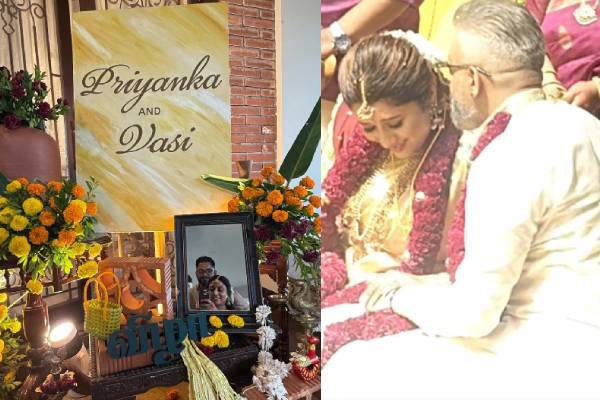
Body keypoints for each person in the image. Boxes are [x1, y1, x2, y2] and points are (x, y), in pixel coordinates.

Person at [322, 1, 600, 398]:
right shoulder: (585, 125)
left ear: (473, 81)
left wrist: (399, 296)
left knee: (351, 368)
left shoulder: (507, 150)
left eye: (451, 70)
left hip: (548, 352)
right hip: (574, 336)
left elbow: (474, 314)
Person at [320, 30, 469, 364]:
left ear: (430, 99)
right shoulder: (356, 142)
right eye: (371, 128)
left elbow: (467, 271)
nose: (386, 140)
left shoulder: (464, 160)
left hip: (408, 296)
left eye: (395, 123)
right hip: (345, 279)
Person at [526, 0, 600, 115]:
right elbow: (529, 38)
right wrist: (549, 81)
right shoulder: (539, 3)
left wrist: (596, 88)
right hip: (556, 104)